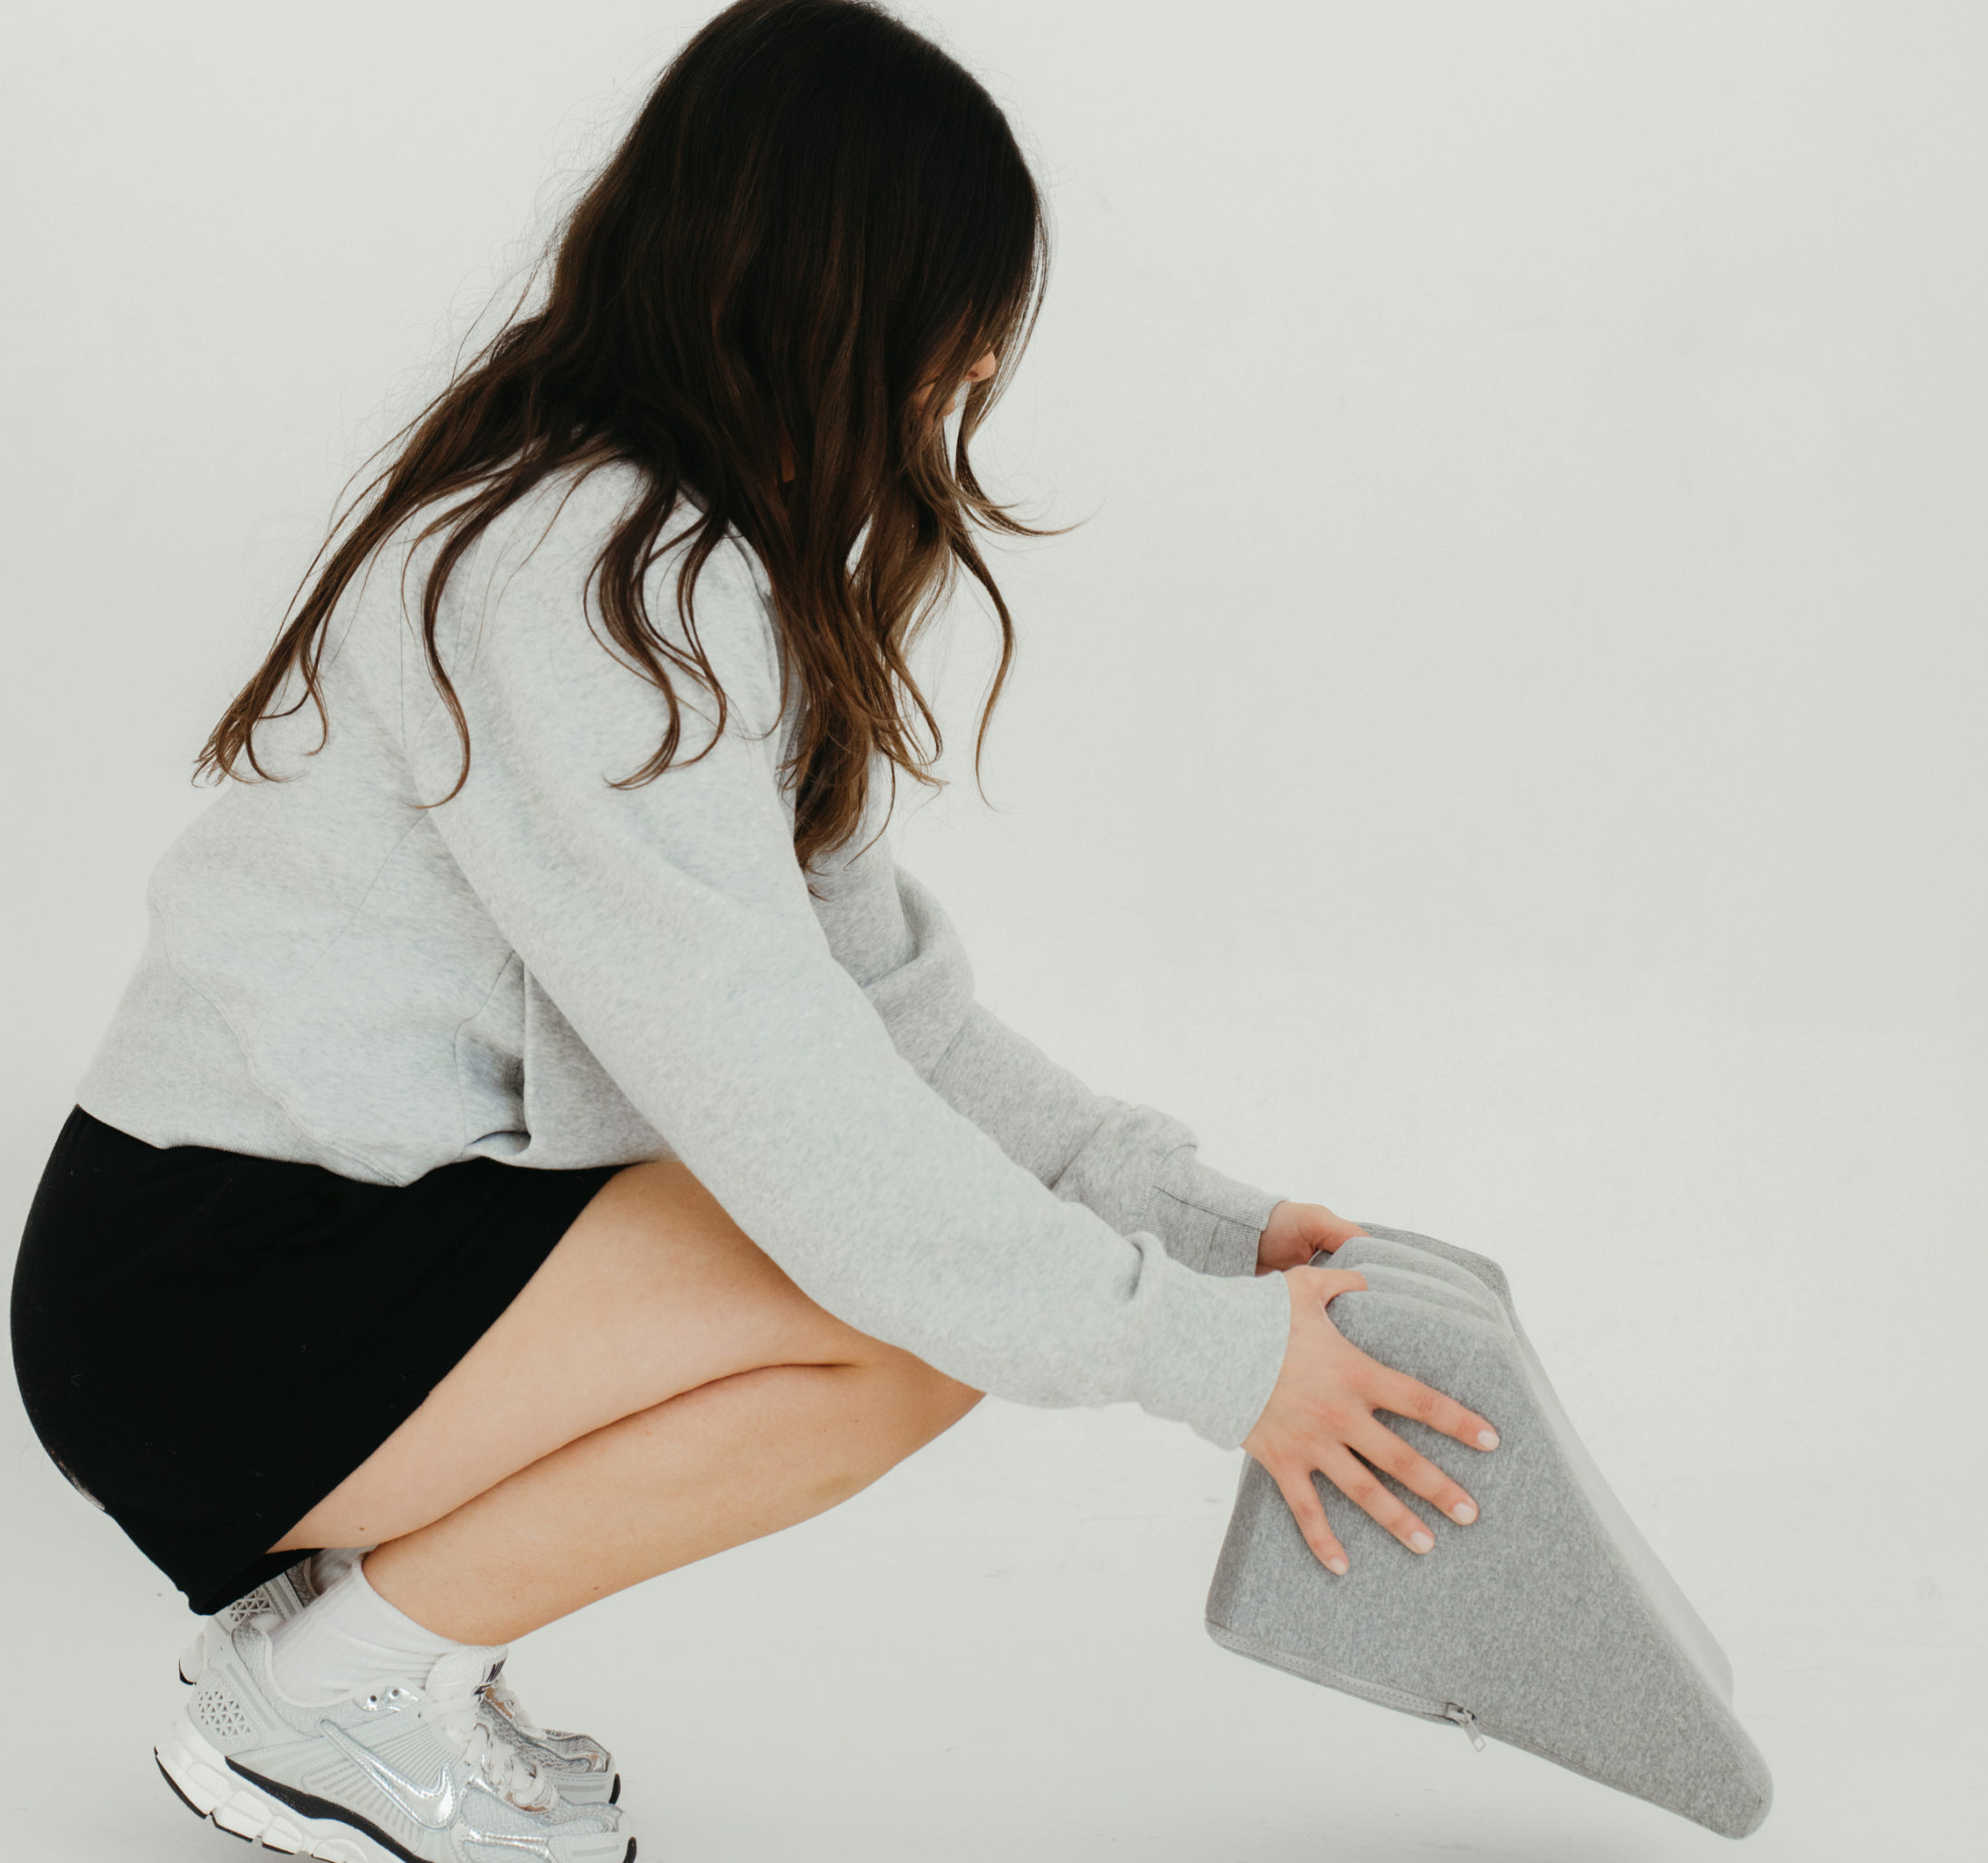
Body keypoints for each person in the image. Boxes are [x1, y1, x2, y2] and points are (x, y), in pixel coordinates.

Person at [9, 3, 1501, 1858]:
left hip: (289, 1243)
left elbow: (886, 1020)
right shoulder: (589, 580)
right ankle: (334, 1701)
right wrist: (1216, 1364)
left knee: (937, 1276)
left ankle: (355, 1661)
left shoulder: (673, 564)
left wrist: (1193, 1222)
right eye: (954, 340)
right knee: (903, 1317)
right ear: (855, 299)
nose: (955, 393)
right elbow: (792, 1101)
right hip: (210, 1287)